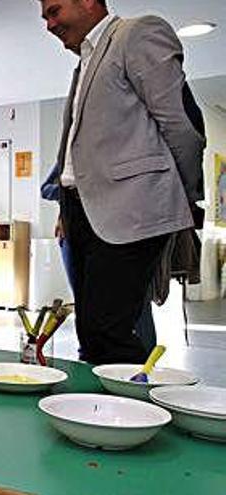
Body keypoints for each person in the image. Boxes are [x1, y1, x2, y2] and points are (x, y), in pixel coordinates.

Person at [40, 0, 205, 364]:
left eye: (54, 11)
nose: (49, 24)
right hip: (80, 209)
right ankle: (97, 412)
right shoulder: (84, 61)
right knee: (92, 330)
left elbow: (182, 126)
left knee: (110, 328)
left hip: (130, 207)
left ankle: (132, 414)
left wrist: (183, 198)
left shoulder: (137, 33)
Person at [41, 164, 156, 353]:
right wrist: (75, 192)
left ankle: (144, 365)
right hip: (77, 231)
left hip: (125, 230)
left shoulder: (130, 149)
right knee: (86, 303)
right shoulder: (71, 153)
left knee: (137, 302)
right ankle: (88, 353)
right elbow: (46, 189)